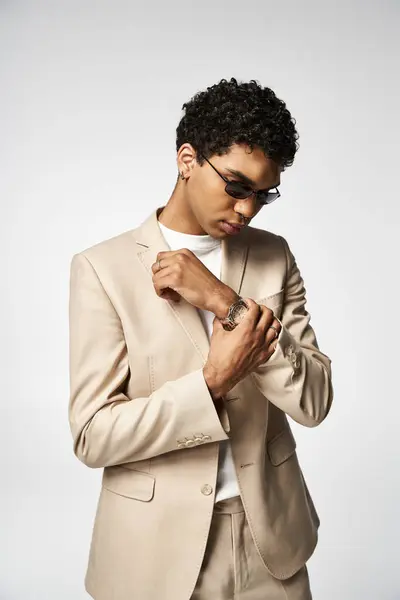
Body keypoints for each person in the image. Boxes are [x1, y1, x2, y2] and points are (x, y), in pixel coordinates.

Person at [68, 77, 333, 600]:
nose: (248, 209)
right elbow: (92, 435)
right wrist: (210, 383)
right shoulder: (103, 269)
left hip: (271, 545)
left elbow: (314, 400)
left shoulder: (273, 255)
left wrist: (224, 303)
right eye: (236, 187)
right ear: (186, 159)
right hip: (152, 554)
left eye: (264, 194)